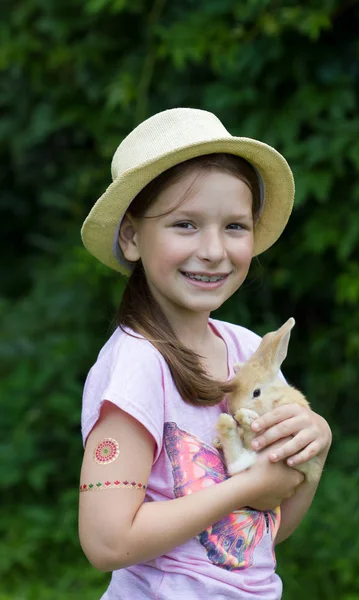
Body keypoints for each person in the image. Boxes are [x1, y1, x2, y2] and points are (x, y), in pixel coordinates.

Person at [78, 107, 332, 600]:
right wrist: (243, 488)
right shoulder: (138, 366)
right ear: (131, 237)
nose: (214, 249)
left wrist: (312, 451)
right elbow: (106, 541)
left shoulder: (246, 348)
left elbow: (261, 536)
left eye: (235, 227)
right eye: (186, 225)